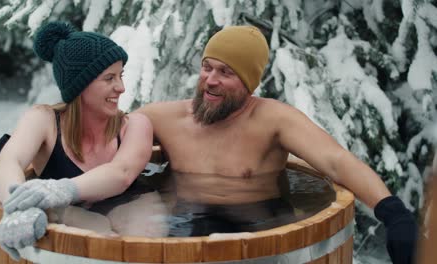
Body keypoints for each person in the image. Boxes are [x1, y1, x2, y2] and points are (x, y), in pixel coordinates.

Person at [135, 25, 417, 263]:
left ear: (250, 83)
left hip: (261, 229)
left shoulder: (272, 120)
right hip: (186, 223)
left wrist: (394, 214)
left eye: (226, 72)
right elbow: (107, 139)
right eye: (207, 67)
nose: (211, 80)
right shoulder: (163, 119)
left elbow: (336, 160)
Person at [0, 21, 153, 260]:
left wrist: (59, 189)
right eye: (109, 78)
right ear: (81, 85)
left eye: (121, 75)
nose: (122, 87)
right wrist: (18, 207)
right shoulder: (43, 120)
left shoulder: (135, 125)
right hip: (73, 228)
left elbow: (122, 173)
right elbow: (5, 166)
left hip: (132, 211)